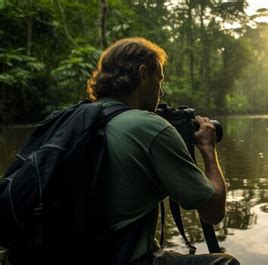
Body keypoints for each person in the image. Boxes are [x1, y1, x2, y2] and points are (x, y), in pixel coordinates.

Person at [86, 37, 239, 265]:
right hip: (119, 259)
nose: (162, 92)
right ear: (143, 73)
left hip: (56, 254)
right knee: (225, 263)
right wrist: (208, 149)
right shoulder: (148, 125)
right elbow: (213, 212)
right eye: (159, 80)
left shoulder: (78, 120)